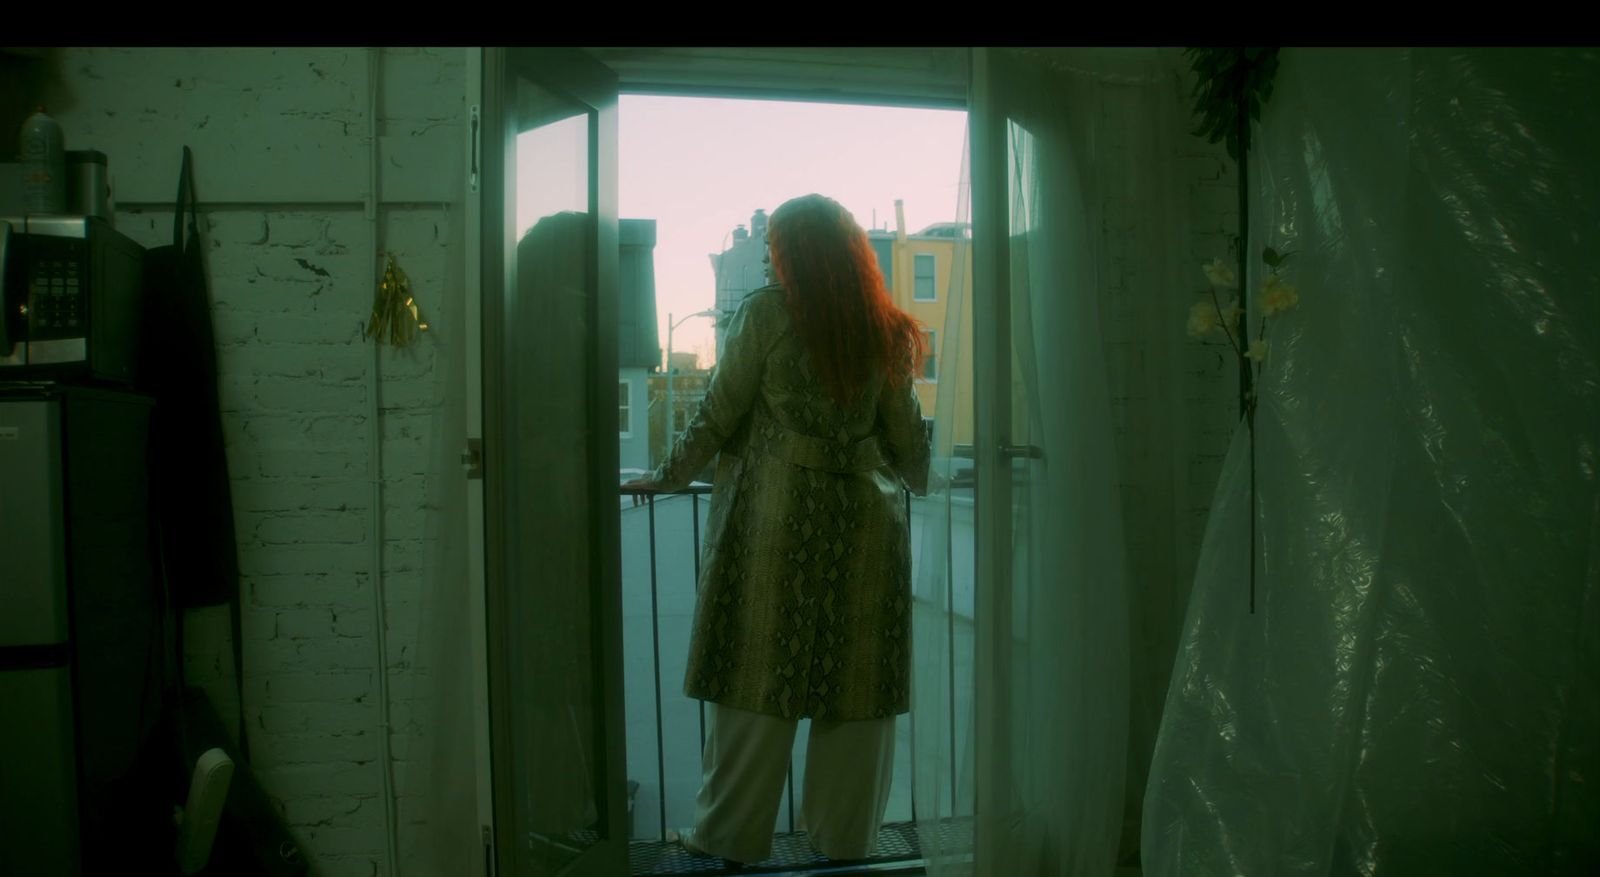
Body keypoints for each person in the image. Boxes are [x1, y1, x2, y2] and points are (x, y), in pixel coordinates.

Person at [626, 193, 931, 865]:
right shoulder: (884, 329)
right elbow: (912, 450)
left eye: (776, 247)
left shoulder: (765, 314)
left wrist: (667, 476)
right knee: (857, 689)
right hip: (866, 533)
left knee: (758, 676)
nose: (768, 258)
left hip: (776, 524)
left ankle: (729, 836)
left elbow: (716, 410)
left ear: (796, 254)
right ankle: (845, 841)